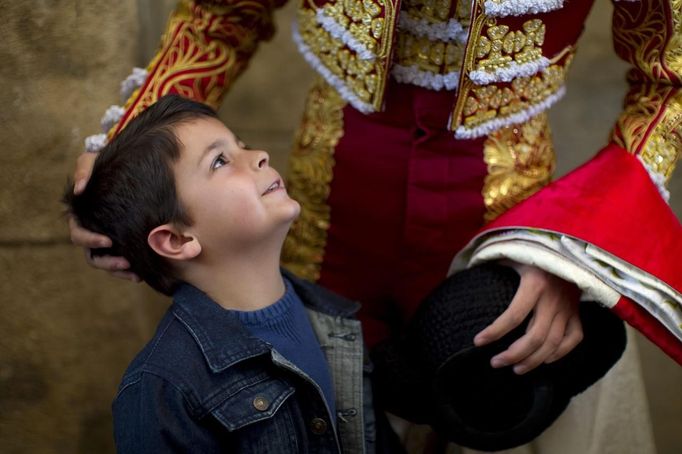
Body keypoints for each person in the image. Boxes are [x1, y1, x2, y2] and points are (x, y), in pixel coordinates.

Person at [69, 0, 681, 452]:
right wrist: (128, 175)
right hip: (322, 212)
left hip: (502, 232)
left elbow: (670, 78)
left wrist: (566, 250)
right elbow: (222, 12)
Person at [64, 94, 390, 453]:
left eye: (243, 145)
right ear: (176, 239)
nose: (259, 155)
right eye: (220, 161)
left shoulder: (336, 319)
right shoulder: (162, 389)